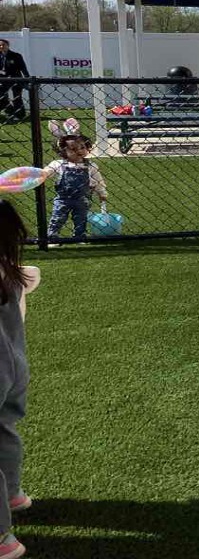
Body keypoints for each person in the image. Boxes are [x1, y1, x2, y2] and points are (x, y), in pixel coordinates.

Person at [0, 200, 39, 559]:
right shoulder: (12, 269)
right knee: (4, 429)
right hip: (13, 369)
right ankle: (11, 494)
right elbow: (33, 274)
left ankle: (2, 539)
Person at [44, 132, 108, 243]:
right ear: (63, 152)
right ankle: (52, 237)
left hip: (82, 199)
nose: (79, 151)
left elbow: (98, 181)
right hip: (63, 199)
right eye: (73, 149)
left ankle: (79, 236)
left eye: (82, 147)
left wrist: (102, 193)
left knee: (81, 219)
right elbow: (46, 172)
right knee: (58, 218)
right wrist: (41, 175)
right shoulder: (59, 164)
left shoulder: (91, 166)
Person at [0, 41, 29, 123]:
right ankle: (10, 111)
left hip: (16, 79)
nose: (1, 47)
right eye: (0, 45)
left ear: (8, 45)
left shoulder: (16, 55)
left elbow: (23, 68)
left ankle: (20, 115)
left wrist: (27, 79)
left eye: (3, 45)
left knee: (17, 97)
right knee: (2, 96)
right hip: (4, 80)